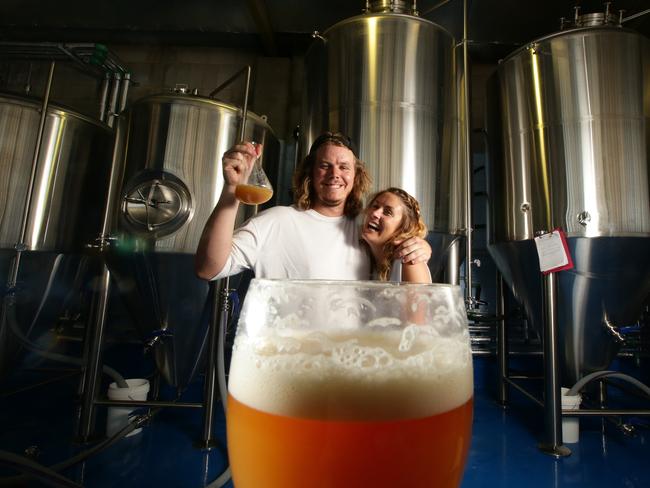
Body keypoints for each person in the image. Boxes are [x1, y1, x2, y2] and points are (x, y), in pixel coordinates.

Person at [195, 131, 431, 281]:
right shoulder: (276, 222)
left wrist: (421, 248)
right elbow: (208, 268)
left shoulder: (365, 227)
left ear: (356, 176)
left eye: (344, 167)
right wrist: (231, 191)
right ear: (309, 172)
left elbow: (403, 246)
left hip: (350, 357)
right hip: (287, 357)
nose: (334, 174)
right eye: (324, 166)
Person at [360, 187, 432, 283]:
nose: (375, 213)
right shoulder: (365, 251)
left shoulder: (410, 261)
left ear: (402, 229)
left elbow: (423, 298)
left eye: (387, 212)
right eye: (375, 206)